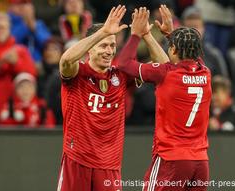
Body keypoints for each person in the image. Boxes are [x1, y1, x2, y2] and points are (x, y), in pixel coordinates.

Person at [118, 6, 211, 191]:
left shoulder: (165, 73)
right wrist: (171, 35)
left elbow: (123, 63)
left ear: (174, 49)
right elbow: (187, 56)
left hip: (171, 159)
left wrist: (136, 35)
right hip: (201, 162)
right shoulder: (205, 72)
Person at [57, 5, 131, 191]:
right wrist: (104, 31)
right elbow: (66, 60)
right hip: (77, 158)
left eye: (112, 45)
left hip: (110, 164)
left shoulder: (121, 75)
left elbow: (165, 71)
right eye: (103, 45)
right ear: (90, 48)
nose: (109, 51)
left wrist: (145, 35)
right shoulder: (77, 72)